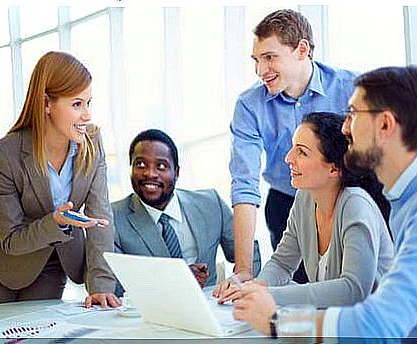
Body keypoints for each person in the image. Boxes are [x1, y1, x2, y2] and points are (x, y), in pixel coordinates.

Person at [233, 66, 417, 338]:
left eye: (353, 114)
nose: (345, 127)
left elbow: (381, 321)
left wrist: (277, 322)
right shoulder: (405, 199)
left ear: (384, 124)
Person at [228, 9, 356, 285]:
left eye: (270, 57)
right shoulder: (249, 105)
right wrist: (243, 272)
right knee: (297, 293)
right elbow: (244, 185)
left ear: (302, 49)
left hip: (346, 198)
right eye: (256, 60)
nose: (260, 70)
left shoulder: (351, 89)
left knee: (345, 291)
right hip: (287, 205)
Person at [217, 112, 393, 308]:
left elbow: (354, 290)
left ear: (334, 169)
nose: (288, 158)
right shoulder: (305, 197)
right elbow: (282, 263)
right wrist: (252, 288)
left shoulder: (356, 205)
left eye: (301, 152)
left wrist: (268, 295)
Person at [0, 51, 120, 308]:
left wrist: (101, 287)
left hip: (55, 262)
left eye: (88, 103)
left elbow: (101, 219)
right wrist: (55, 222)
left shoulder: (92, 143)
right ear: (47, 103)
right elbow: (11, 239)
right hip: (1, 266)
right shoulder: (3, 155)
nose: (87, 115)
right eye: (76, 104)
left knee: (38, 332)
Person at [112, 129, 261, 296]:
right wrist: (177, 281)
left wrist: (239, 289)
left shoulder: (211, 203)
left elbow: (248, 251)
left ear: (176, 172)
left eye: (161, 166)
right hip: (148, 315)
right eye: (140, 164)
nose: (150, 173)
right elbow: (114, 286)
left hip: (211, 308)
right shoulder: (113, 217)